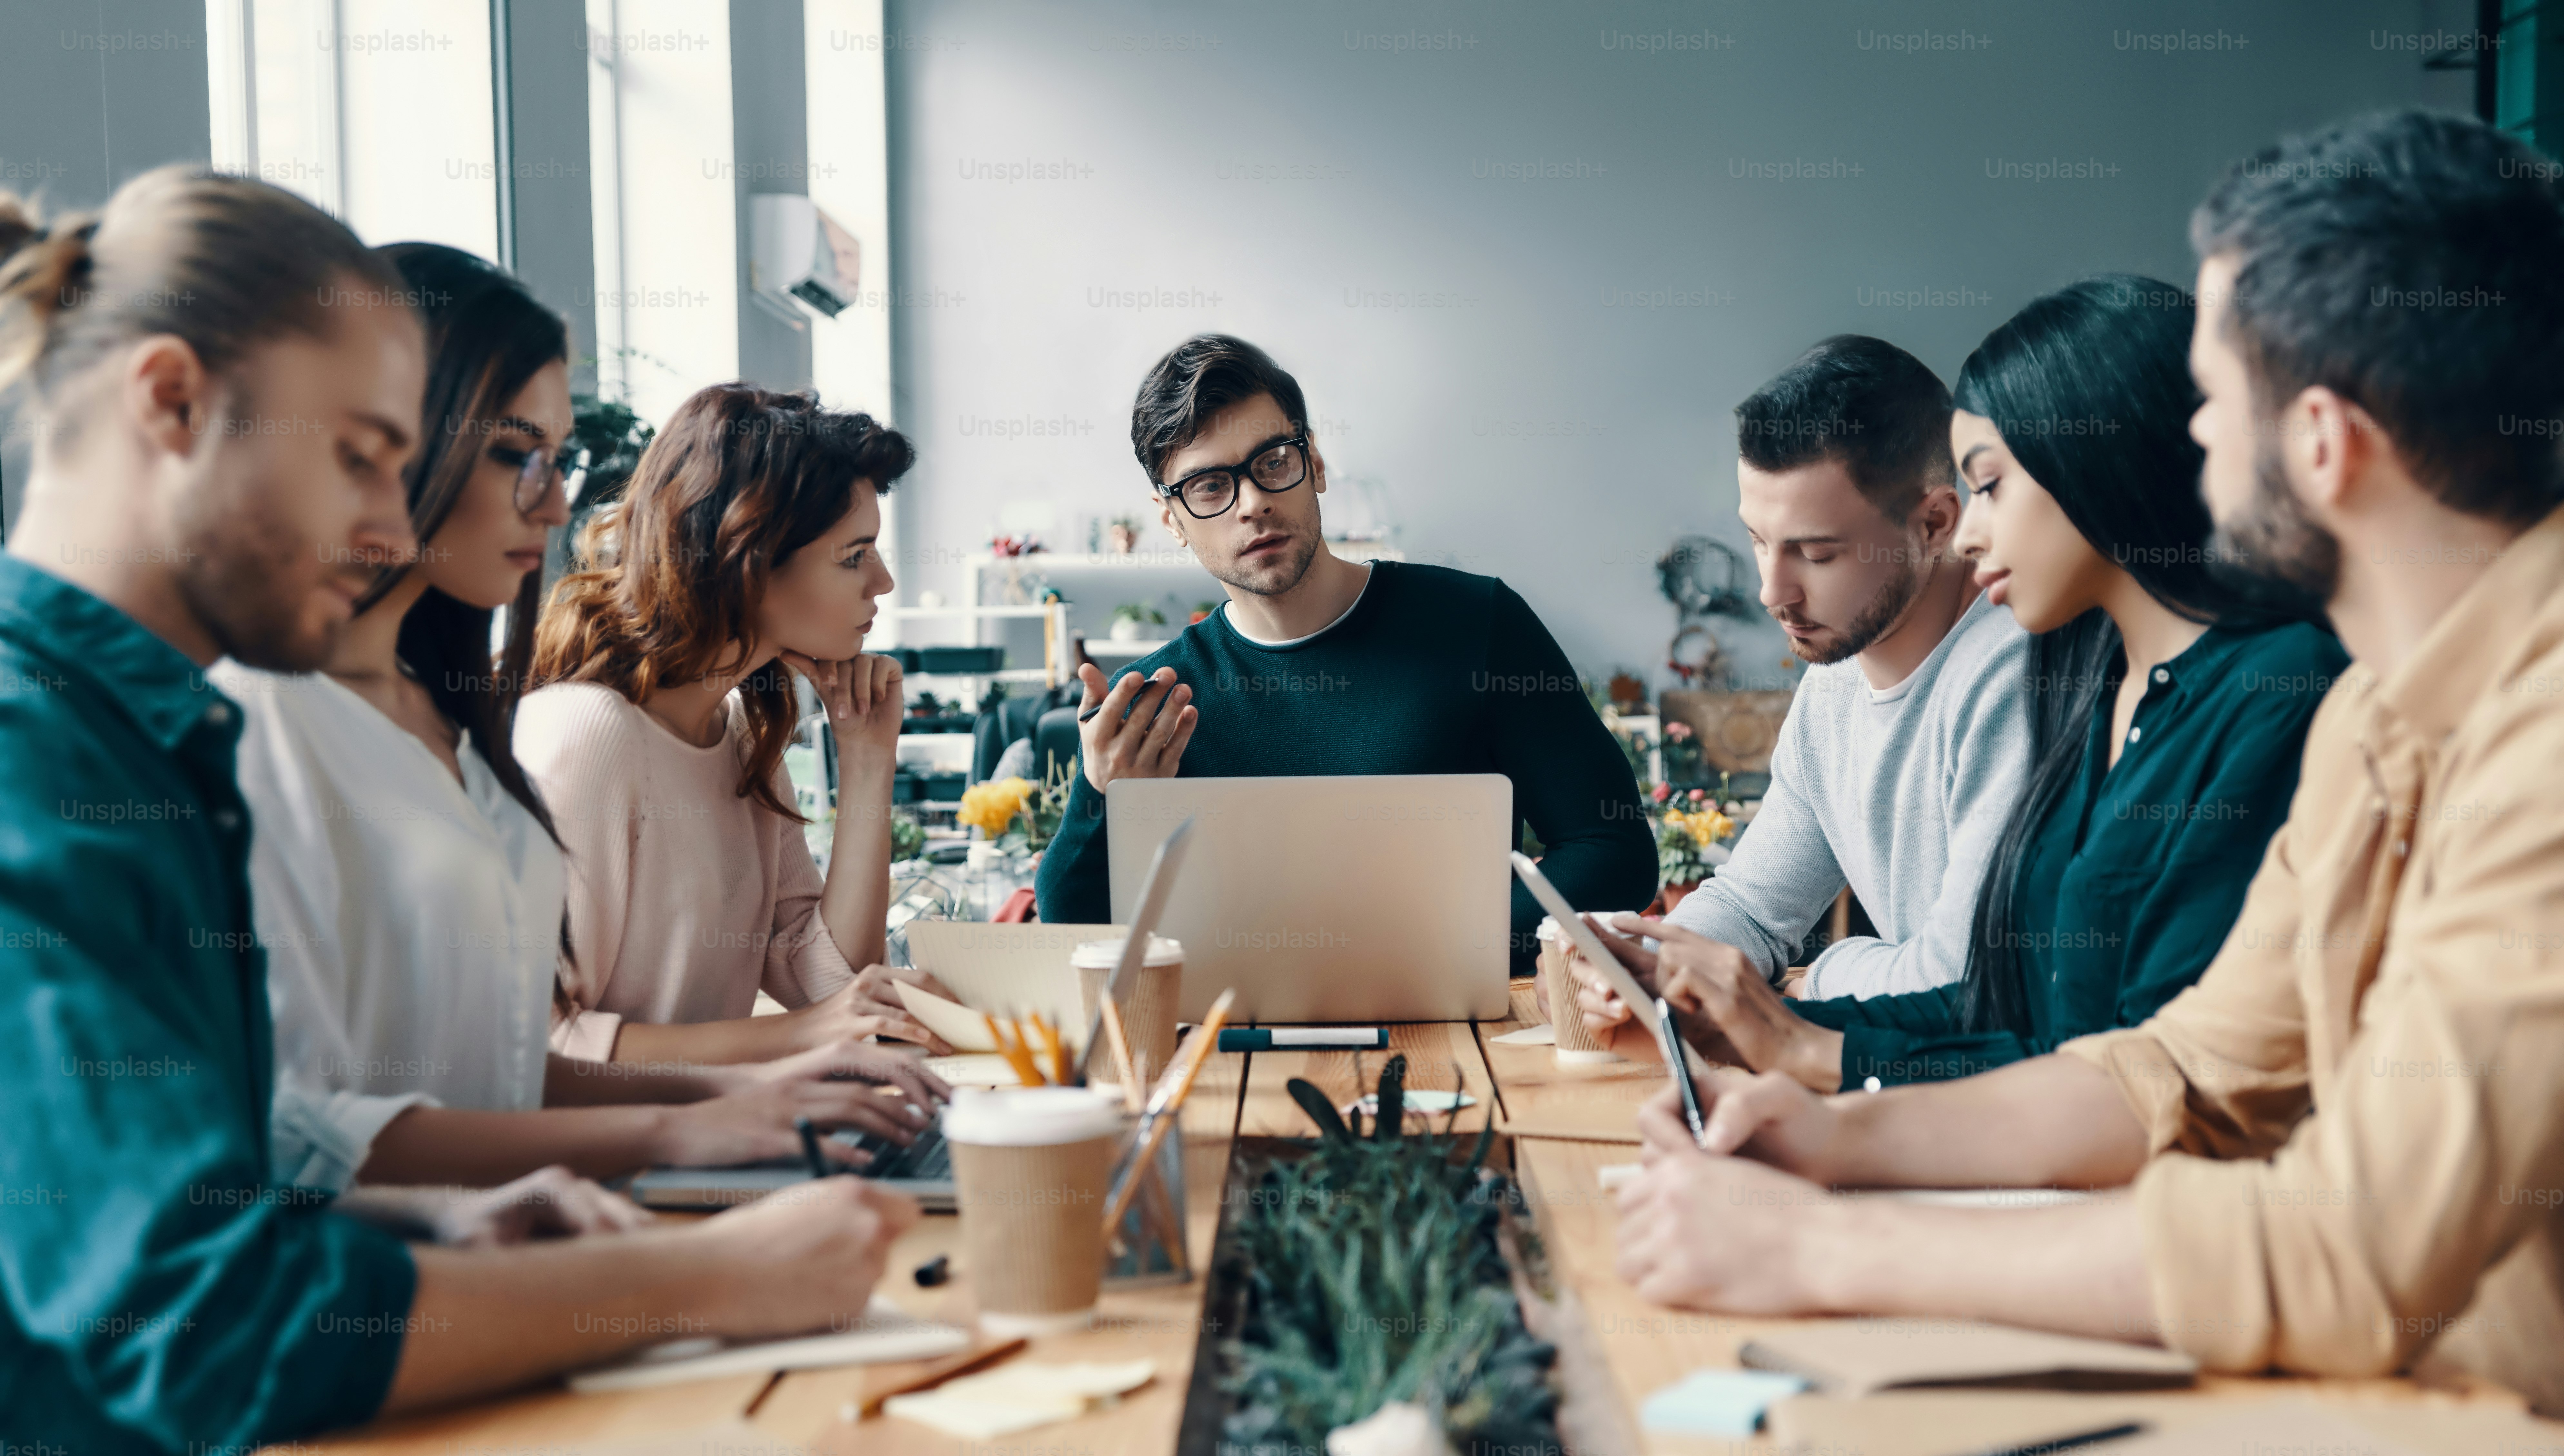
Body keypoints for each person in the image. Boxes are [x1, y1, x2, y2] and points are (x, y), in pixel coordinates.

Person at [0, 168, 918, 1456]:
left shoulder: (150, 737)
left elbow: (271, 1152)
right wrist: (704, 1276)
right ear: (170, 404)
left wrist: (438, 1227)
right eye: (366, 458)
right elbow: (208, 1322)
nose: (389, 520)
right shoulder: (44, 762)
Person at [1612, 111, 2564, 1416]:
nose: (2190, 442)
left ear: (2321, 444)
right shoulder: (2377, 713)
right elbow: (2177, 1071)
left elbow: (2353, 1253)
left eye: (2214, 403)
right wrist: (1837, 1135)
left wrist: (1825, 1246)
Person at [217, 244, 942, 1191]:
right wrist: (755, 1082)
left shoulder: (471, 725)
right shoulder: (568, 733)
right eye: (519, 456)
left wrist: (868, 760)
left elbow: (498, 1073)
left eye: (555, 460)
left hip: (551, 1202)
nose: (559, 503)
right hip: (543, 1206)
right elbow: (357, 1117)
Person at [1574, 278, 2347, 1091]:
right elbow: (2050, 1030)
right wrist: (1682, 977)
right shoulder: (2107, 686)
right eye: (1758, 543)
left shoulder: (2081, 673)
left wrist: (1804, 1006)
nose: (1772, 593)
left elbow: (2051, 1031)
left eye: (1991, 487)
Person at [1032, 333, 1656, 970]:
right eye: (1210, 486)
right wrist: (1100, 794)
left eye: (1273, 462)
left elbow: (1614, 852)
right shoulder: (1157, 704)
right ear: (1171, 519)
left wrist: (1429, 950)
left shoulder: (1478, 623)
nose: (1254, 503)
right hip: (1235, 1030)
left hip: (1460, 1019)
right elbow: (1074, 934)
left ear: (1316, 464)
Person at [519, 384, 951, 1065]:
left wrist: (868, 760)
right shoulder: (588, 733)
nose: (883, 582)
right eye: (853, 556)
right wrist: (805, 1033)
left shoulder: (743, 736)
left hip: (711, 1127)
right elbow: (537, 1045)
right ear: (748, 562)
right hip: (614, 1138)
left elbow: (830, 986)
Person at [1641, 337, 2036, 1002]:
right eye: (1758, 541)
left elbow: (1967, 979)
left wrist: (1815, 983)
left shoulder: (2014, 679)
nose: (1772, 593)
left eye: (1817, 554)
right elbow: (1751, 907)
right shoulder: (1834, 680)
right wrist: (1650, 961)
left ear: (1935, 524)